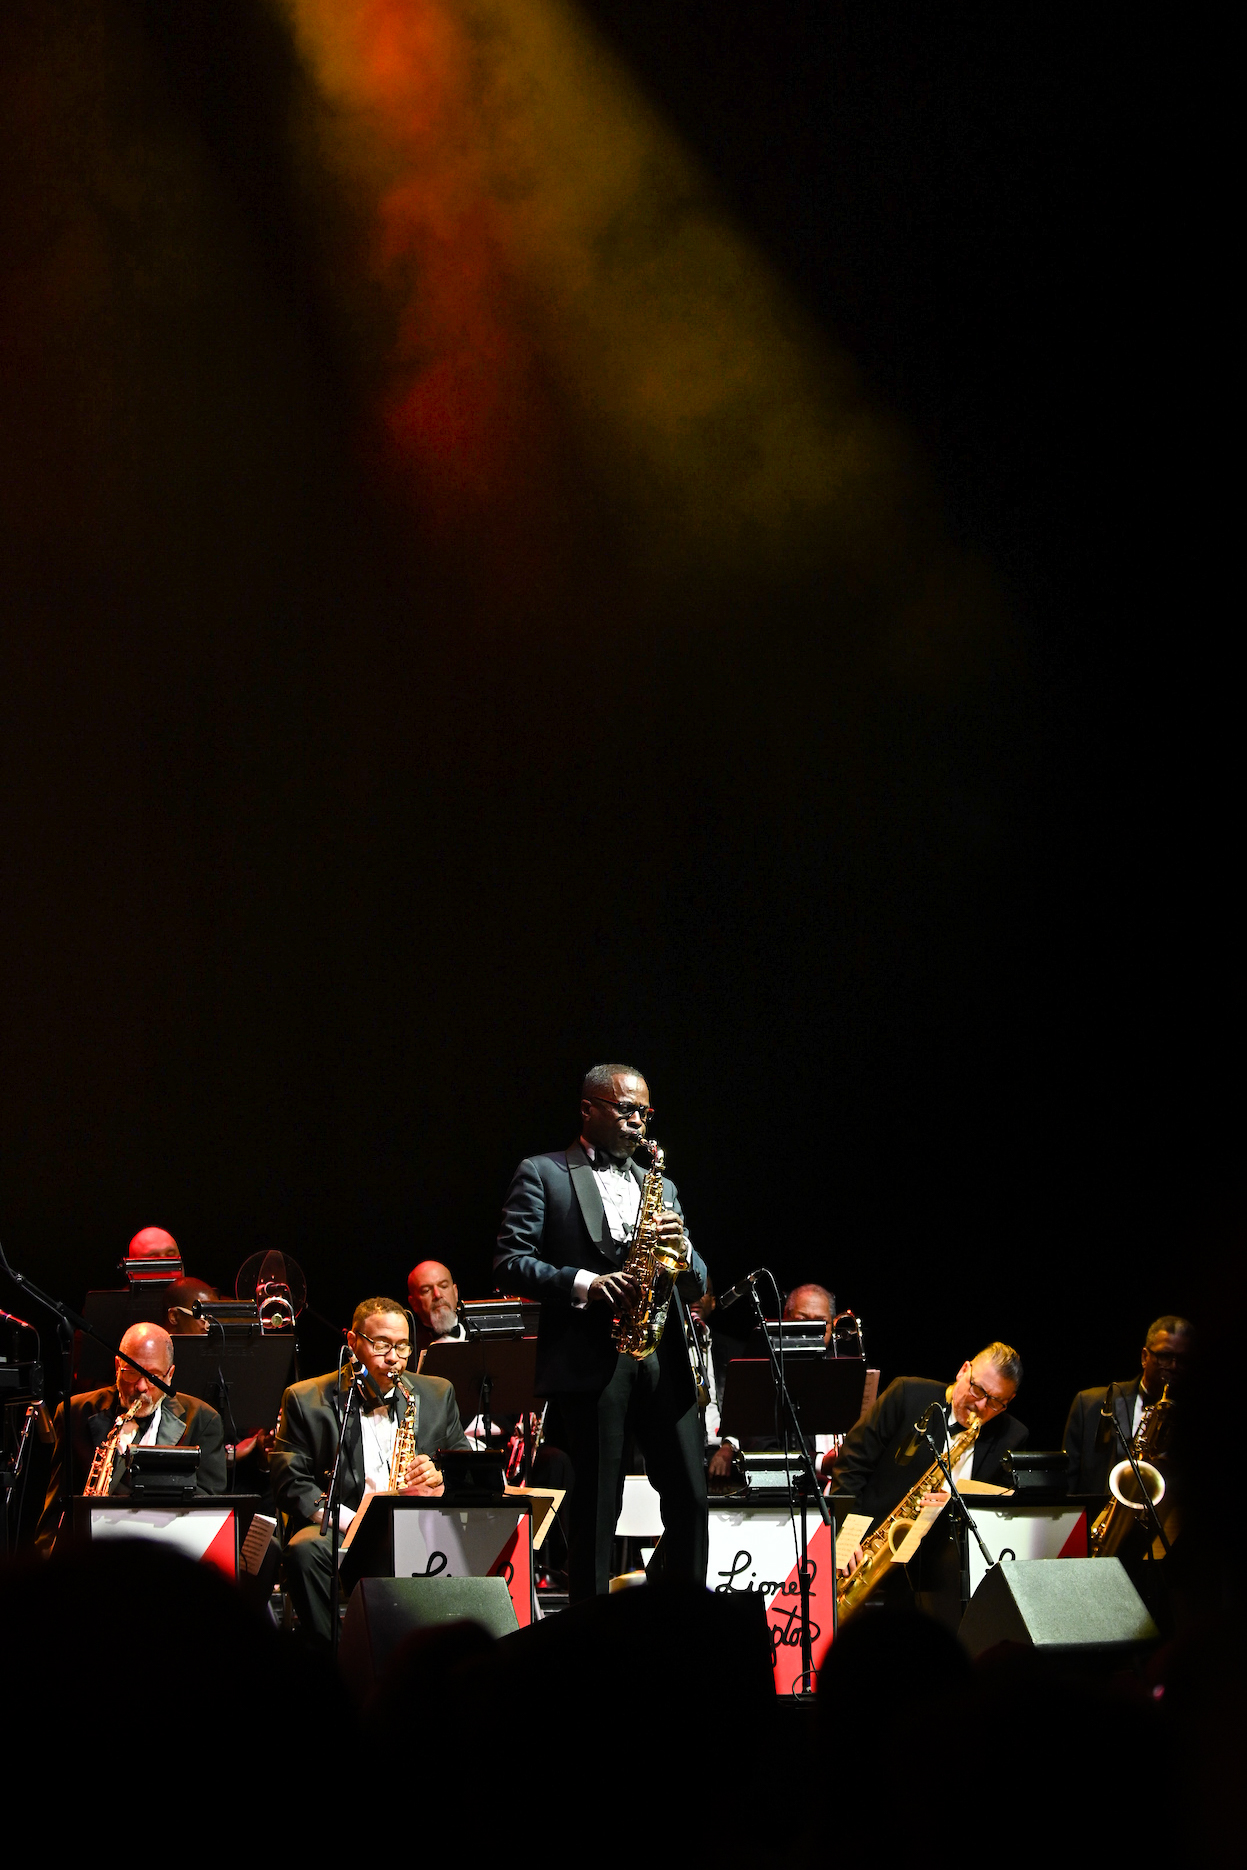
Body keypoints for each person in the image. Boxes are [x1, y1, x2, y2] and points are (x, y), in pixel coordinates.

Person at [494, 1062, 709, 1600]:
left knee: (690, 1495)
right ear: (588, 1108)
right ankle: (591, 1632)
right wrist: (584, 1283)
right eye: (626, 1109)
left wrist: (680, 1252)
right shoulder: (542, 1172)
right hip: (592, 1357)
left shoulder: (661, 1185)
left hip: (663, 1353)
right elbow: (510, 1260)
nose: (638, 1122)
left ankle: (675, 1607)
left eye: (645, 1112)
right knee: (598, 1503)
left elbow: (700, 1280)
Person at [270, 1296, 471, 1645]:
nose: (393, 1358)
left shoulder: (437, 1392)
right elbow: (290, 1481)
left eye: (402, 1346)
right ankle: (335, 1659)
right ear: (352, 1342)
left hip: (420, 1526)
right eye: (381, 1345)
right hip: (343, 1528)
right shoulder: (305, 1398)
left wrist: (441, 1478)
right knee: (304, 1552)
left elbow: (464, 1467)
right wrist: (354, 1521)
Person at [37, 1322, 227, 1552]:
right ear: (117, 1366)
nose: (141, 1387)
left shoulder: (203, 1420)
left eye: (153, 1376)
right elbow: (56, 1506)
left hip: (169, 1554)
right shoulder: (74, 1412)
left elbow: (208, 1513)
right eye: (131, 1373)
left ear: (170, 1374)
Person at [832, 1343, 1027, 1529]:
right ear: (963, 1370)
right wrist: (848, 1536)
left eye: (995, 1402)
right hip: (871, 1542)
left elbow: (1002, 1516)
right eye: (978, 1390)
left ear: (1009, 1400)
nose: (982, 1406)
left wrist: (954, 1508)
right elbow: (851, 1466)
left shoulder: (1012, 1437)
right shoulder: (906, 1394)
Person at [1063, 1314, 1191, 1496]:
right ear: (1145, 1356)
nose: (1173, 1366)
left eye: (1182, 1360)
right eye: (1164, 1356)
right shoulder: (1090, 1404)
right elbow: (1068, 1481)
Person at [407, 1259, 463, 1350]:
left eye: (443, 1286)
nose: (437, 1295)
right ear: (414, 1303)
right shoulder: (409, 1349)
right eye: (426, 1290)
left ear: (455, 1292)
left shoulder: (483, 1333)